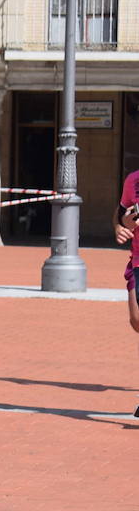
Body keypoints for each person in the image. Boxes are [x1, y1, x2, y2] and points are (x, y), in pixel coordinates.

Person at [114, 172, 139, 417]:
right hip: (138, 260)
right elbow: (120, 212)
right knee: (136, 320)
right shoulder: (133, 180)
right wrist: (121, 226)